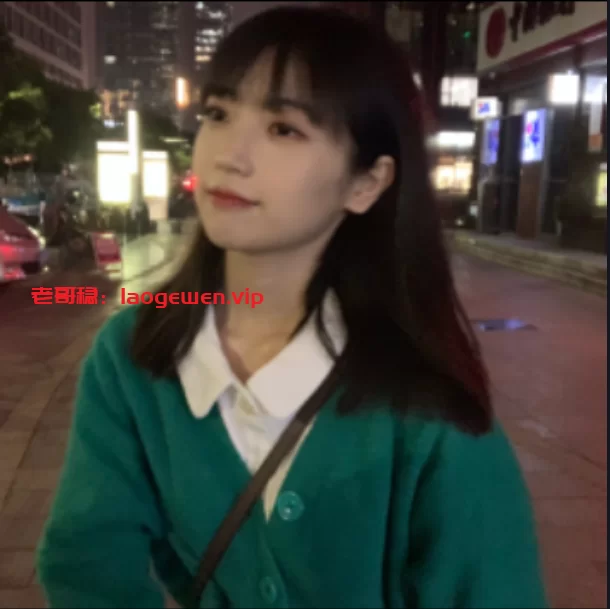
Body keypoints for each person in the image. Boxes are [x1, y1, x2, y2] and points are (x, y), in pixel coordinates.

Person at [36, 7, 548, 608]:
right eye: (218, 114)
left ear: (366, 183)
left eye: (284, 129)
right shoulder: (135, 356)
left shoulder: (425, 404)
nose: (230, 155)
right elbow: (86, 560)